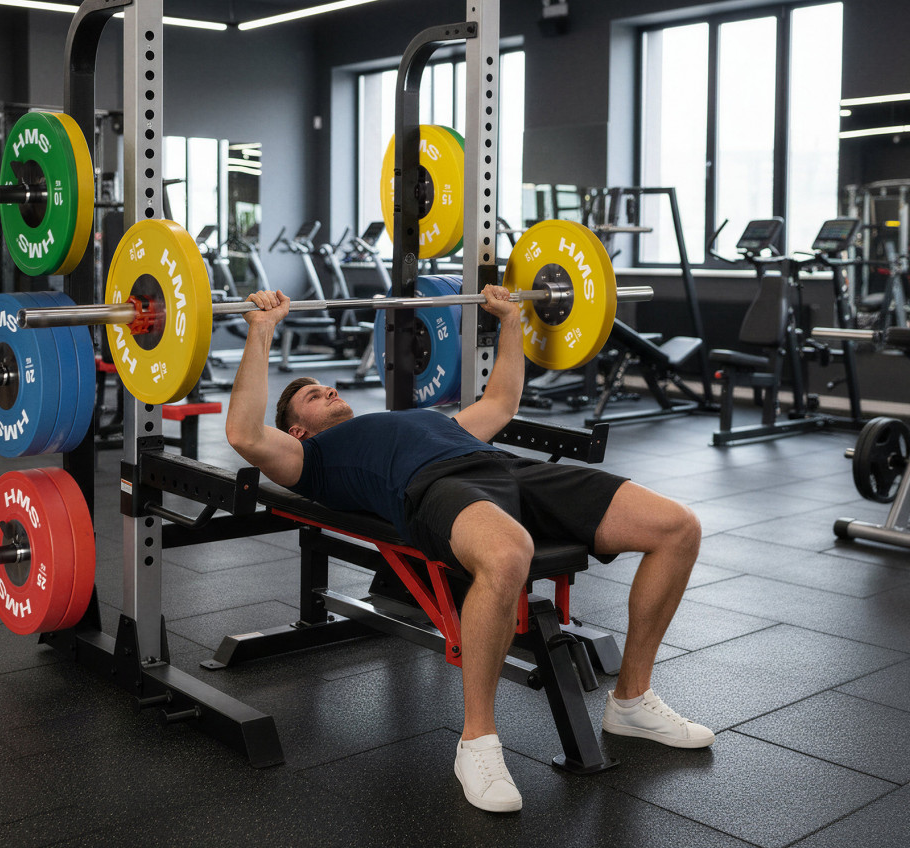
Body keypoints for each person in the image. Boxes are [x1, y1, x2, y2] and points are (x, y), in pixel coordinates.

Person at [226, 285, 714, 814]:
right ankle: (477, 742)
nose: (328, 390)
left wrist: (510, 319)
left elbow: (501, 402)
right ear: (297, 429)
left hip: (508, 468)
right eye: (313, 396)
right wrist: (262, 331)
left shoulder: (425, 418)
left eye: (326, 386)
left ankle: (632, 701)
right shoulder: (313, 458)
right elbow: (245, 434)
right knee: (508, 554)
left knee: (678, 527)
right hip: (435, 488)